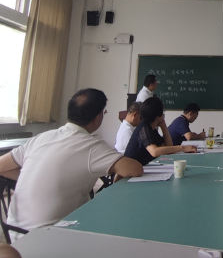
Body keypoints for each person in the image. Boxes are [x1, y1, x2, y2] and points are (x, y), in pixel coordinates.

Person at [0, 89, 143, 239]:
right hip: (50, 239)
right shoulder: (91, 146)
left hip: (15, 236)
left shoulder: (41, 138)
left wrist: (34, 176)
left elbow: (2, 166)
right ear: (98, 118)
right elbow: (135, 169)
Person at [124, 97, 198, 165]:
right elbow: (154, 152)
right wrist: (182, 148)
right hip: (130, 170)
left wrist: (164, 127)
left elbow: (169, 146)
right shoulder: (144, 128)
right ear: (158, 115)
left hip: (141, 168)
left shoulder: (152, 129)